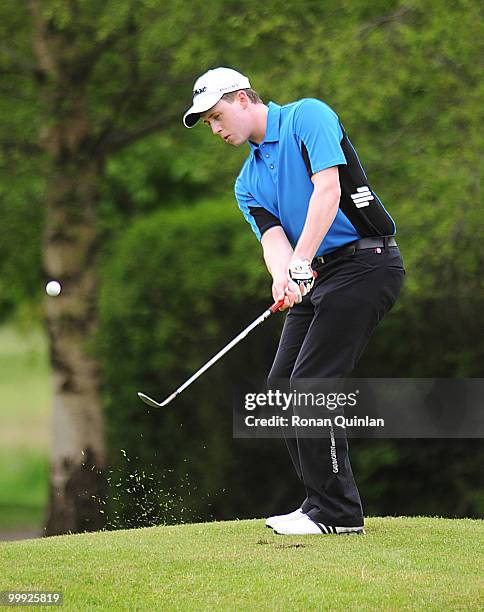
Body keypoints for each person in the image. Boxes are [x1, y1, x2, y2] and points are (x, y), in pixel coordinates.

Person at [183, 67, 405, 535]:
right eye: (208, 124)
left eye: (218, 115)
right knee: (284, 385)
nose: (217, 129)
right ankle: (318, 504)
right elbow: (273, 241)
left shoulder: (309, 117)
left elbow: (330, 190)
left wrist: (301, 263)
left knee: (311, 383)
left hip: (368, 263)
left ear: (243, 99)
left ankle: (340, 515)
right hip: (320, 272)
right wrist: (285, 276)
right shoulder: (247, 181)